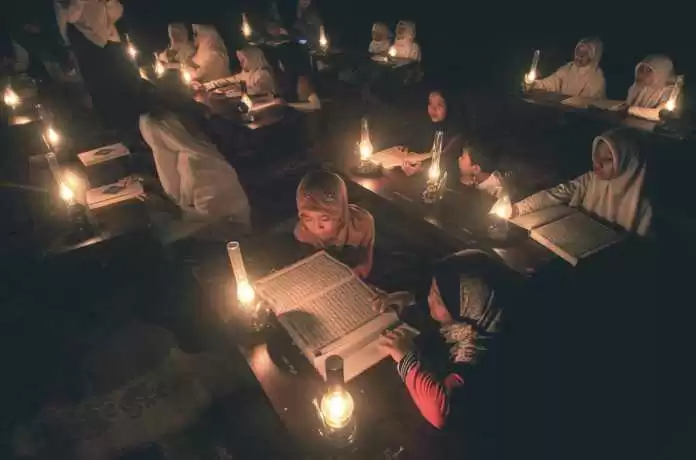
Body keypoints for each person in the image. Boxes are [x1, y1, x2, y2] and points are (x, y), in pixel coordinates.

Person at [376, 250, 514, 430]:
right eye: (432, 289)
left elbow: (438, 413)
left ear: (469, 311)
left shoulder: (477, 350)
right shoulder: (467, 317)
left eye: (438, 300)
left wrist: (404, 357)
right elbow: (447, 305)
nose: (429, 298)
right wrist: (408, 300)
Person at [513, 128, 652, 236]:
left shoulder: (642, 206)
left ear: (627, 161)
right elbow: (555, 194)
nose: (598, 163)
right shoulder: (590, 180)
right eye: (597, 156)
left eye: (608, 159)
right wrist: (518, 208)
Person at [139, 105, 251, 238]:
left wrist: (171, 209)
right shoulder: (190, 158)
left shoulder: (203, 167)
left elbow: (226, 226)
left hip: (224, 240)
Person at [55, 0, 140, 130]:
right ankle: (117, 124)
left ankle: (134, 120)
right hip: (87, 45)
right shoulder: (71, 11)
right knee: (102, 88)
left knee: (125, 81)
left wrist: (108, 4)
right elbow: (69, 15)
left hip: (110, 41)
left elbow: (116, 11)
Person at [294, 171, 375, 278]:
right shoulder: (303, 232)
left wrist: (356, 272)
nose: (317, 226)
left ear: (340, 214)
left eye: (325, 219)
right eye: (308, 219)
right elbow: (307, 266)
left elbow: (365, 263)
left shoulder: (361, 223)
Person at [400, 89, 463, 176]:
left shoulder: (455, 133)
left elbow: (445, 161)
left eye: (439, 105)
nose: (433, 109)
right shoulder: (424, 124)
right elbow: (414, 147)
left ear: (449, 107)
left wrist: (419, 169)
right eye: (430, 103)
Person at [526, 37, 605, 99]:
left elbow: (590, 103)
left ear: (593, 56)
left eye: (585, 53)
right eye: (578, 51)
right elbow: (551, 82)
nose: (579, 55)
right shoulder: (568, 68)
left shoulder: (597, 78)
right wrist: (533, 84)